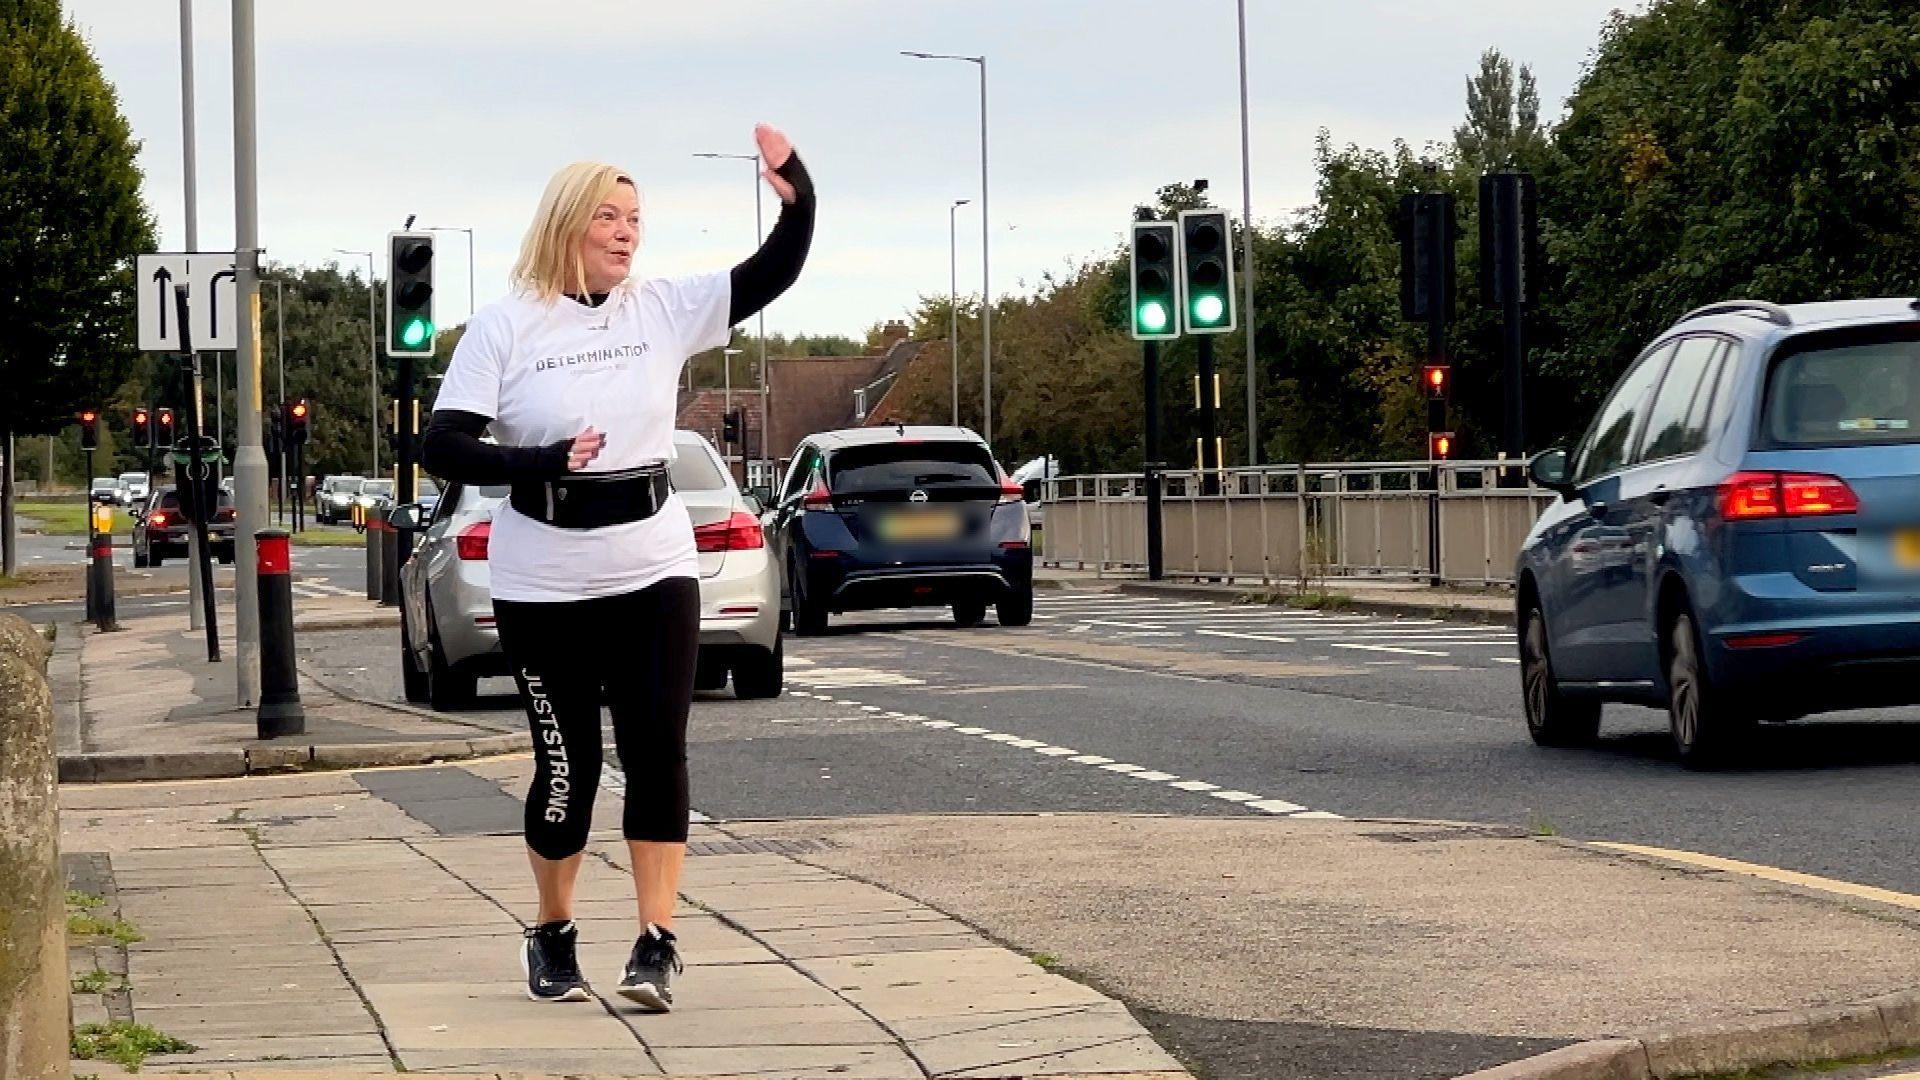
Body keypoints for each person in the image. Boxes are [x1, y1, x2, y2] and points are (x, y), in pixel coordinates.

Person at [421, 123, 814, 1010]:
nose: (627, 231)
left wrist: (800, 196)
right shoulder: (505, 326)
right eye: (608, 216)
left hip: (652, 564)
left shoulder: (661, 306)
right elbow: (442, 444)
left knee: (655, 752)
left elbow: (772, 273)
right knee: (569, 770)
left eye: (636, 217)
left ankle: (655, 941)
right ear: (568, 224)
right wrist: (540, 462)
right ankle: (553, 930)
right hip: (542, 575)